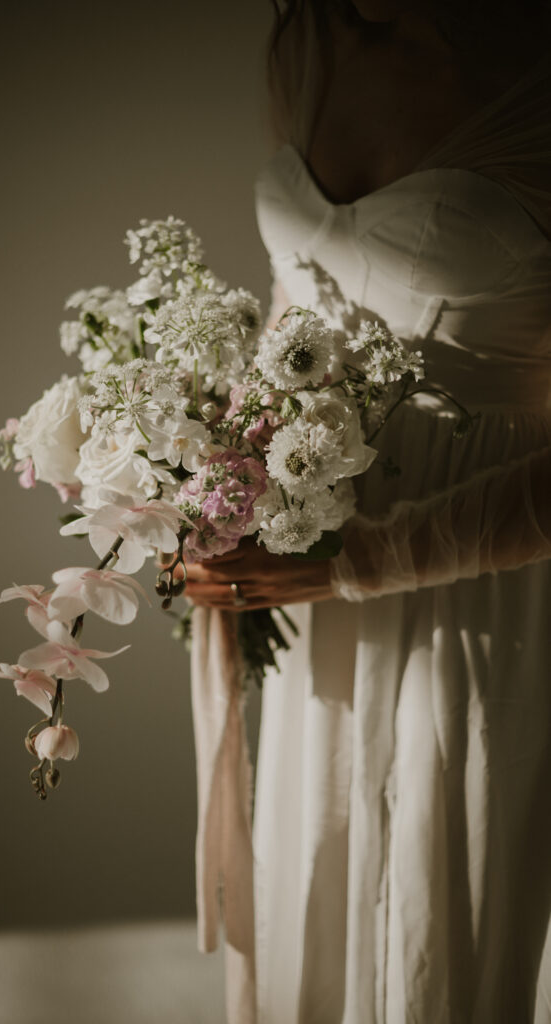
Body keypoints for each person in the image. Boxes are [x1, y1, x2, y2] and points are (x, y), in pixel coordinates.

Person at [185, 1, 551, 1021]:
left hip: (485, 586)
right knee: (322, 862)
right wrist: (215, 479)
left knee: (452, 903)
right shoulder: (306, 38)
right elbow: (303, 296)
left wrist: (368, 557)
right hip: (314, 566)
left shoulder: (529, 63)